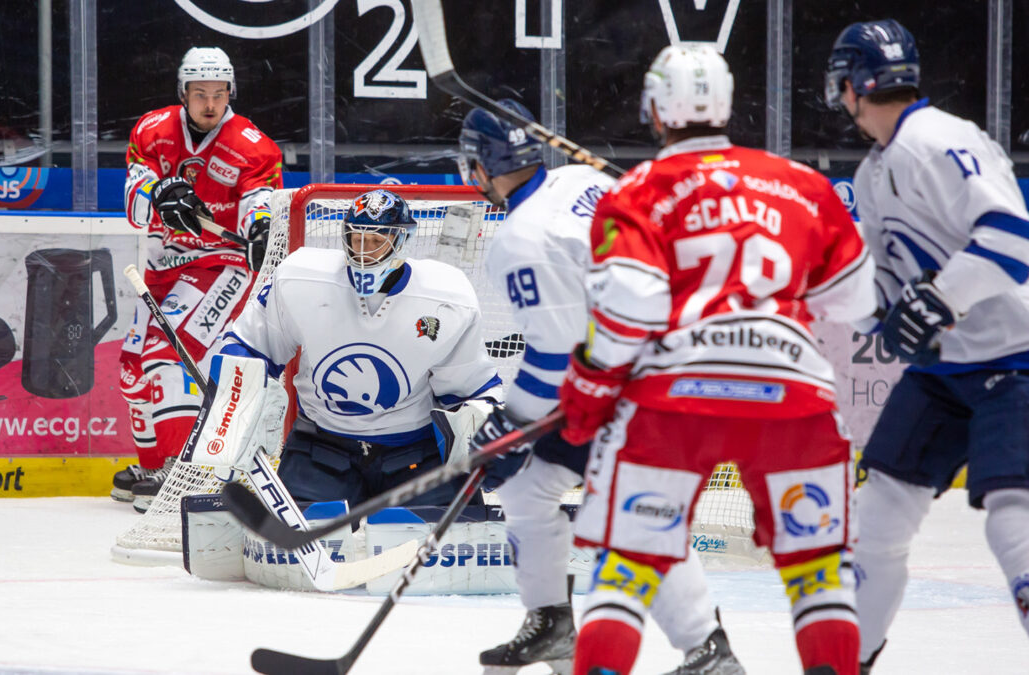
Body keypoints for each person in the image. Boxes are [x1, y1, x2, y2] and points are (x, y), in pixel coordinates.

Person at [561, 44, 877, 675]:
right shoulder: (803, 185)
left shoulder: (637, 192)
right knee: (820, 578)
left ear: (655, 109)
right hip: (793, 399)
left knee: (626, 572)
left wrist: (587, 395)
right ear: (728, 106)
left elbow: (631, 310)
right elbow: (855, 299)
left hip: (677, 400)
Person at [460, 100, 742, 675]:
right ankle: (553, 625)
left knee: (630, 514)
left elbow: (558, 351)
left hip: (644, 384)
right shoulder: (580, 177)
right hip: (644, 363)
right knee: (527, 488)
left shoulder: (520, 239)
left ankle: (710, 649)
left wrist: (507, 422)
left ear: (481, 167)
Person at [824, 19, 1029, 672]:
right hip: (946, 371)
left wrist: (937, 299)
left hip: (1016, 357)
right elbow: (887, 295)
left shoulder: (940, 139)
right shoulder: (877, 169)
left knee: (1012, 517)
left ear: (854, 83)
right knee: (877, 518)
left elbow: (1009, 237)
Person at [218, 188, 502, 507]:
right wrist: (230, 417)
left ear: (402, 241)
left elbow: (469, 390)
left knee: (447, 544)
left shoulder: (446, 297)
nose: (364, 251)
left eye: (377, 240)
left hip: (417, 455)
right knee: (290, 547)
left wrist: (490, 438)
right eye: (357, 238)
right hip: (321, 448)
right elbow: (249, 348)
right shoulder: (301, 279)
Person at [112, 46, 282, 512]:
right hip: (162, 265)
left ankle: (178, 470)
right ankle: (149, 466)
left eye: (219, 93)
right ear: (183, 93)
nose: (210, 103)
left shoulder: (252, 145)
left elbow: (259, 202)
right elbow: (133, 203)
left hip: (219, 266)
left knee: (165, 352)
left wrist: (261, 228)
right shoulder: (151, 131)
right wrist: (157, 192)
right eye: (200, 93)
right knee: (131, 372)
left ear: (231, 92)